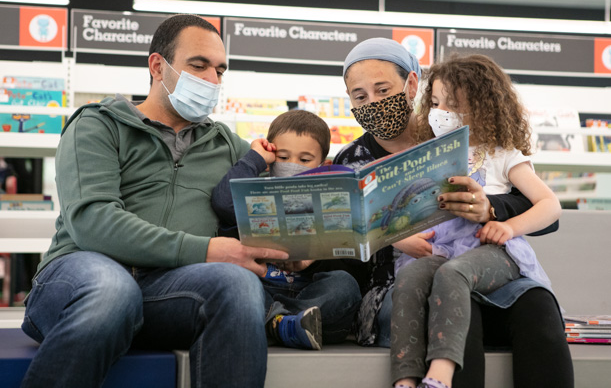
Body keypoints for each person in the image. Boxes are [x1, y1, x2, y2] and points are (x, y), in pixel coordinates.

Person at [19, 14, 292, 388]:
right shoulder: (97, 125)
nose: (212, 80)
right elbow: (93, 222)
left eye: (220, 70)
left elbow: (276, 209)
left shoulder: (229, 147)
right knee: (113, 289)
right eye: (198, 66)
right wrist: (207, 250)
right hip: (79, 280)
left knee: (237, 285)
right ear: (157, 66)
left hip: (169, 293)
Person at [325, 37, 572, 387]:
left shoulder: (461, 147)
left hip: (478, 259)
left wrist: (491, 210)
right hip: (417, 274)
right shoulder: (352, 160)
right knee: (452, 300)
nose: (374, 103)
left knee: (536, 306)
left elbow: (541, 207)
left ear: (412, 85)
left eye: (383, 89)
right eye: (360, 96)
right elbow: (348, 239)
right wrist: (387, 236)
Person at [390, 54, 562, 388]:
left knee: (454, 273)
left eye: (453, 106)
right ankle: (405, 379)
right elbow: (402, 212)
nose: (440, 113)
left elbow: (550, 205)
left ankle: (440, 376)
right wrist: (400, 237)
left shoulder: (502, 152)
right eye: (436, 103)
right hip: (439, 248)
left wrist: (509, 226)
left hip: (491, 248)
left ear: (484, 108)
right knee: (410, 280)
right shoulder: (427, 154)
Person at [211, 109, 361, 350]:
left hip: (310, 295)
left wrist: (314, 258)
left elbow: (350, 263)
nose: (292, 165)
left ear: (323, 164)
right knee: (240, 287)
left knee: (344, 285)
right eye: (282, 156)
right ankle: (283, 323)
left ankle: (278, 323)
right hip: (262, 287)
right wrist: (254, 158)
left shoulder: (331, 201)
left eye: (304, 160)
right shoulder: (256, 192)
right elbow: (223, 202)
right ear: (271, 154)